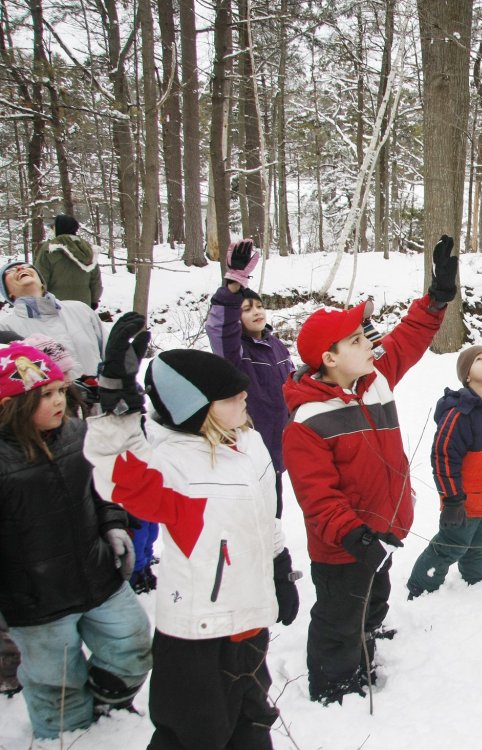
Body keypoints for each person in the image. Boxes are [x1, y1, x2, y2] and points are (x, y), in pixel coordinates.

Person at [84, 313, 301, 749]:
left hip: (249, 624)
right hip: (197, 636)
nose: (245, 399)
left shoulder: (249, 444)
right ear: (196, 407)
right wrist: (116, 407)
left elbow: (265, 516)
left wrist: (279, 564)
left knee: (253, 725)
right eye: (232, 397)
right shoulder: (170, 465)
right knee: (192, 735)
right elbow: (117, 474)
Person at [282, 235, 458, 706]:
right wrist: (354, 536)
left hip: (383, 531)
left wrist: (436, 299)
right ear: (329, 358)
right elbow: (317, 497)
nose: (371, 343)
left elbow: (409, 337)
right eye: (358, 340)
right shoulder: (306, 422)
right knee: (340, 618)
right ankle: (335, 689)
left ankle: (369, 642)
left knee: (374, 600)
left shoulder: (374, 380)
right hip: (344, 547)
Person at [0, 341, 152, 739]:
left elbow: (103, 488)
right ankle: (69, 739)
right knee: (57, 686)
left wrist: (114, 525)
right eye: (44, 394)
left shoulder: (77, 433)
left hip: (96, 572)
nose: (58, 401)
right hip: (36, 601)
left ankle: (111, 710)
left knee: (134, 649)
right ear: (9, 405)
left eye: (59, 391)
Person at [406, 345, 482, 599]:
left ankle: (476, 582)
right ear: (466, 375)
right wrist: (452, 499)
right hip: (464, 501)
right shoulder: (460, 413)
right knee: (450, 546)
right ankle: (421, 588)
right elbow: (443, 457)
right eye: (479, 360)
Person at [206, 238, 294, 517]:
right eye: (246, 308)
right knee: (252, 521)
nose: (256, 311)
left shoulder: (275, 344)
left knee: (274, 520)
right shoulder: (234, 350)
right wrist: (233, 285)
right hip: (247, 453)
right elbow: (220, 326)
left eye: (258, 305)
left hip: (277, 450)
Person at [0, 259, 105, 376]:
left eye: (26, 266)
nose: (20, 268)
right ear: (8, 292)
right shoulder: (5, 329)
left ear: (42, 283)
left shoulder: (81, 310)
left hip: (100, 392)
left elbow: (110, 355)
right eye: (10, 271)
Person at [36, 214, 103, 309]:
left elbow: (40, 279)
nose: (53, 229)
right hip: (83, 306)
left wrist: (39, 301)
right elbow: (95, 279)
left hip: (57, 306)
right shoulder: (87, 249)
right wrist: (94, 300)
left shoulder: (49, 249)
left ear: (60, 227)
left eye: (54, 226)